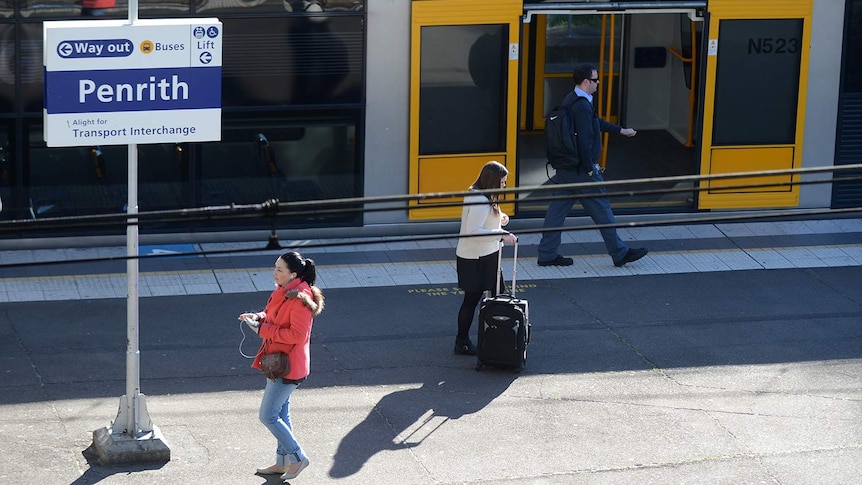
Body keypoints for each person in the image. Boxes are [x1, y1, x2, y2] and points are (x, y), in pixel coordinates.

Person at [537, 63, 648, 268]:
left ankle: (546, 254)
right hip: (581, 170)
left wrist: (620, 130)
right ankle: (619, 253)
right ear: (586, 81)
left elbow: (595, 124)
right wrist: (589, 168)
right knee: (602, 209)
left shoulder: (572, 99)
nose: (598, 84)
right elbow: (584, 141)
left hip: (567, 168)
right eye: (596, 80)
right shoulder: (581, 105)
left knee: (557, 211)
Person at [239, 251, 324, 481]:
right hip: (278, 361)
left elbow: (297, 334)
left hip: (288, 366)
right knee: (281, 413)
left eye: (279, 270)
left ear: (293, 274)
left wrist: (262, 330)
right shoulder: (283, 291)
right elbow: (273, 314)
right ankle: (282, 462)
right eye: (275, 267)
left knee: (268, 415)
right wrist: (258, 317)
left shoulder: (300, 299)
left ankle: (298, 457)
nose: (274, 273)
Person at [454, 161, 518, 355]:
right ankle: (464, 341)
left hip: (484, 255)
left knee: (494, 295)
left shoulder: (478, 193)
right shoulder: (480, 201)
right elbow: (474, 231)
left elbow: (482, 220)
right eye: (503, 182)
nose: (505, 185)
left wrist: (501, 217)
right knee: (474, 299)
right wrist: (501, 234)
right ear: (493, 181)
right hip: (477, 258)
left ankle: (492, 337)